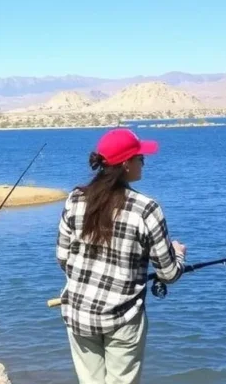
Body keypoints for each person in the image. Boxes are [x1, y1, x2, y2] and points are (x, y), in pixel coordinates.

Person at [56, 128, 187, 384]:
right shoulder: (146, 209)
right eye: (141, 158)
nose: (143, 163)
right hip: (122, 318)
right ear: (126, 164)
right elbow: (168, 273)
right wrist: (179, 254)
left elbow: (63, 257)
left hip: (78, 312)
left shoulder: (75, 199)